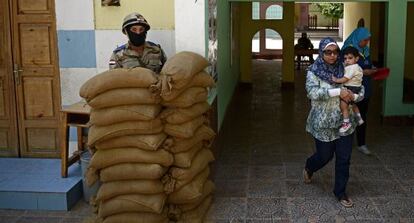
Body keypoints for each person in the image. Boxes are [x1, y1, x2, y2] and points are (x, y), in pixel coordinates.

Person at [303, 37, 365, 208]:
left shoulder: (346, 66)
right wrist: (338, 91)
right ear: (321, 53)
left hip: (345, 122)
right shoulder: (313, 71)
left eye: (335, 52)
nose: (332, 56)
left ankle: (341, 192)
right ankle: (309, 167)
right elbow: (312, 93)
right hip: (323, 122)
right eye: (328, 52)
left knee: (344, 158)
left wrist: (354, 96)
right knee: (325, 156)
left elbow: (359, 86)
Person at [342, 27, 377, 155]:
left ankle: (362, 144)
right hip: (351, 90)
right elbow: (344, 68)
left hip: (365, 89)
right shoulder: (348, 50)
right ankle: (345, 144)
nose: (366, 42)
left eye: (368, 40)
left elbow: (367, 64)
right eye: (364, 40)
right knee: (349, 116)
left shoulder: (365, 50)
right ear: (358, 38)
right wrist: (363, 71)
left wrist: (372, 69)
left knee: (362, 117)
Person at [332, 46, 365, 134]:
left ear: (357, 58)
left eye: (350, 58)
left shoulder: (352, 67)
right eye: (345, 58)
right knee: (353, 105)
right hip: (356, 88)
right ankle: (359, 118)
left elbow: (345, 79)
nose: (347, 60)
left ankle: (346, 122)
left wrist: (336, 80)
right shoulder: (357, 67)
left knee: (343, 106)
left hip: (350, 88)